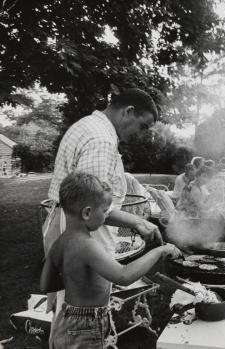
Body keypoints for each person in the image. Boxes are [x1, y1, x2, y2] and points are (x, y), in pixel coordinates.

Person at [43, 88, 165, 315]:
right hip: (89, 240)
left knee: (66, 313)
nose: (141, 134)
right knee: (86, 312)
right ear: (129, 111)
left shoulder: (87, 126)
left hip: (66, 232)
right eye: (143, 126)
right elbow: (91, 206)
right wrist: (137, 222)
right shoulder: (101, 141)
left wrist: (52, 288)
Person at [41, 172, 181, 348]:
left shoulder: (60, 242)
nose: (107, 216)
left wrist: (75, 278)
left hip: (64, 320)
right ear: (87, 213)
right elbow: (124, 276)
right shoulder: (87, 245)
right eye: (105, 211)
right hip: (85, 326)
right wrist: (160, 250)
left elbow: (46, 284)